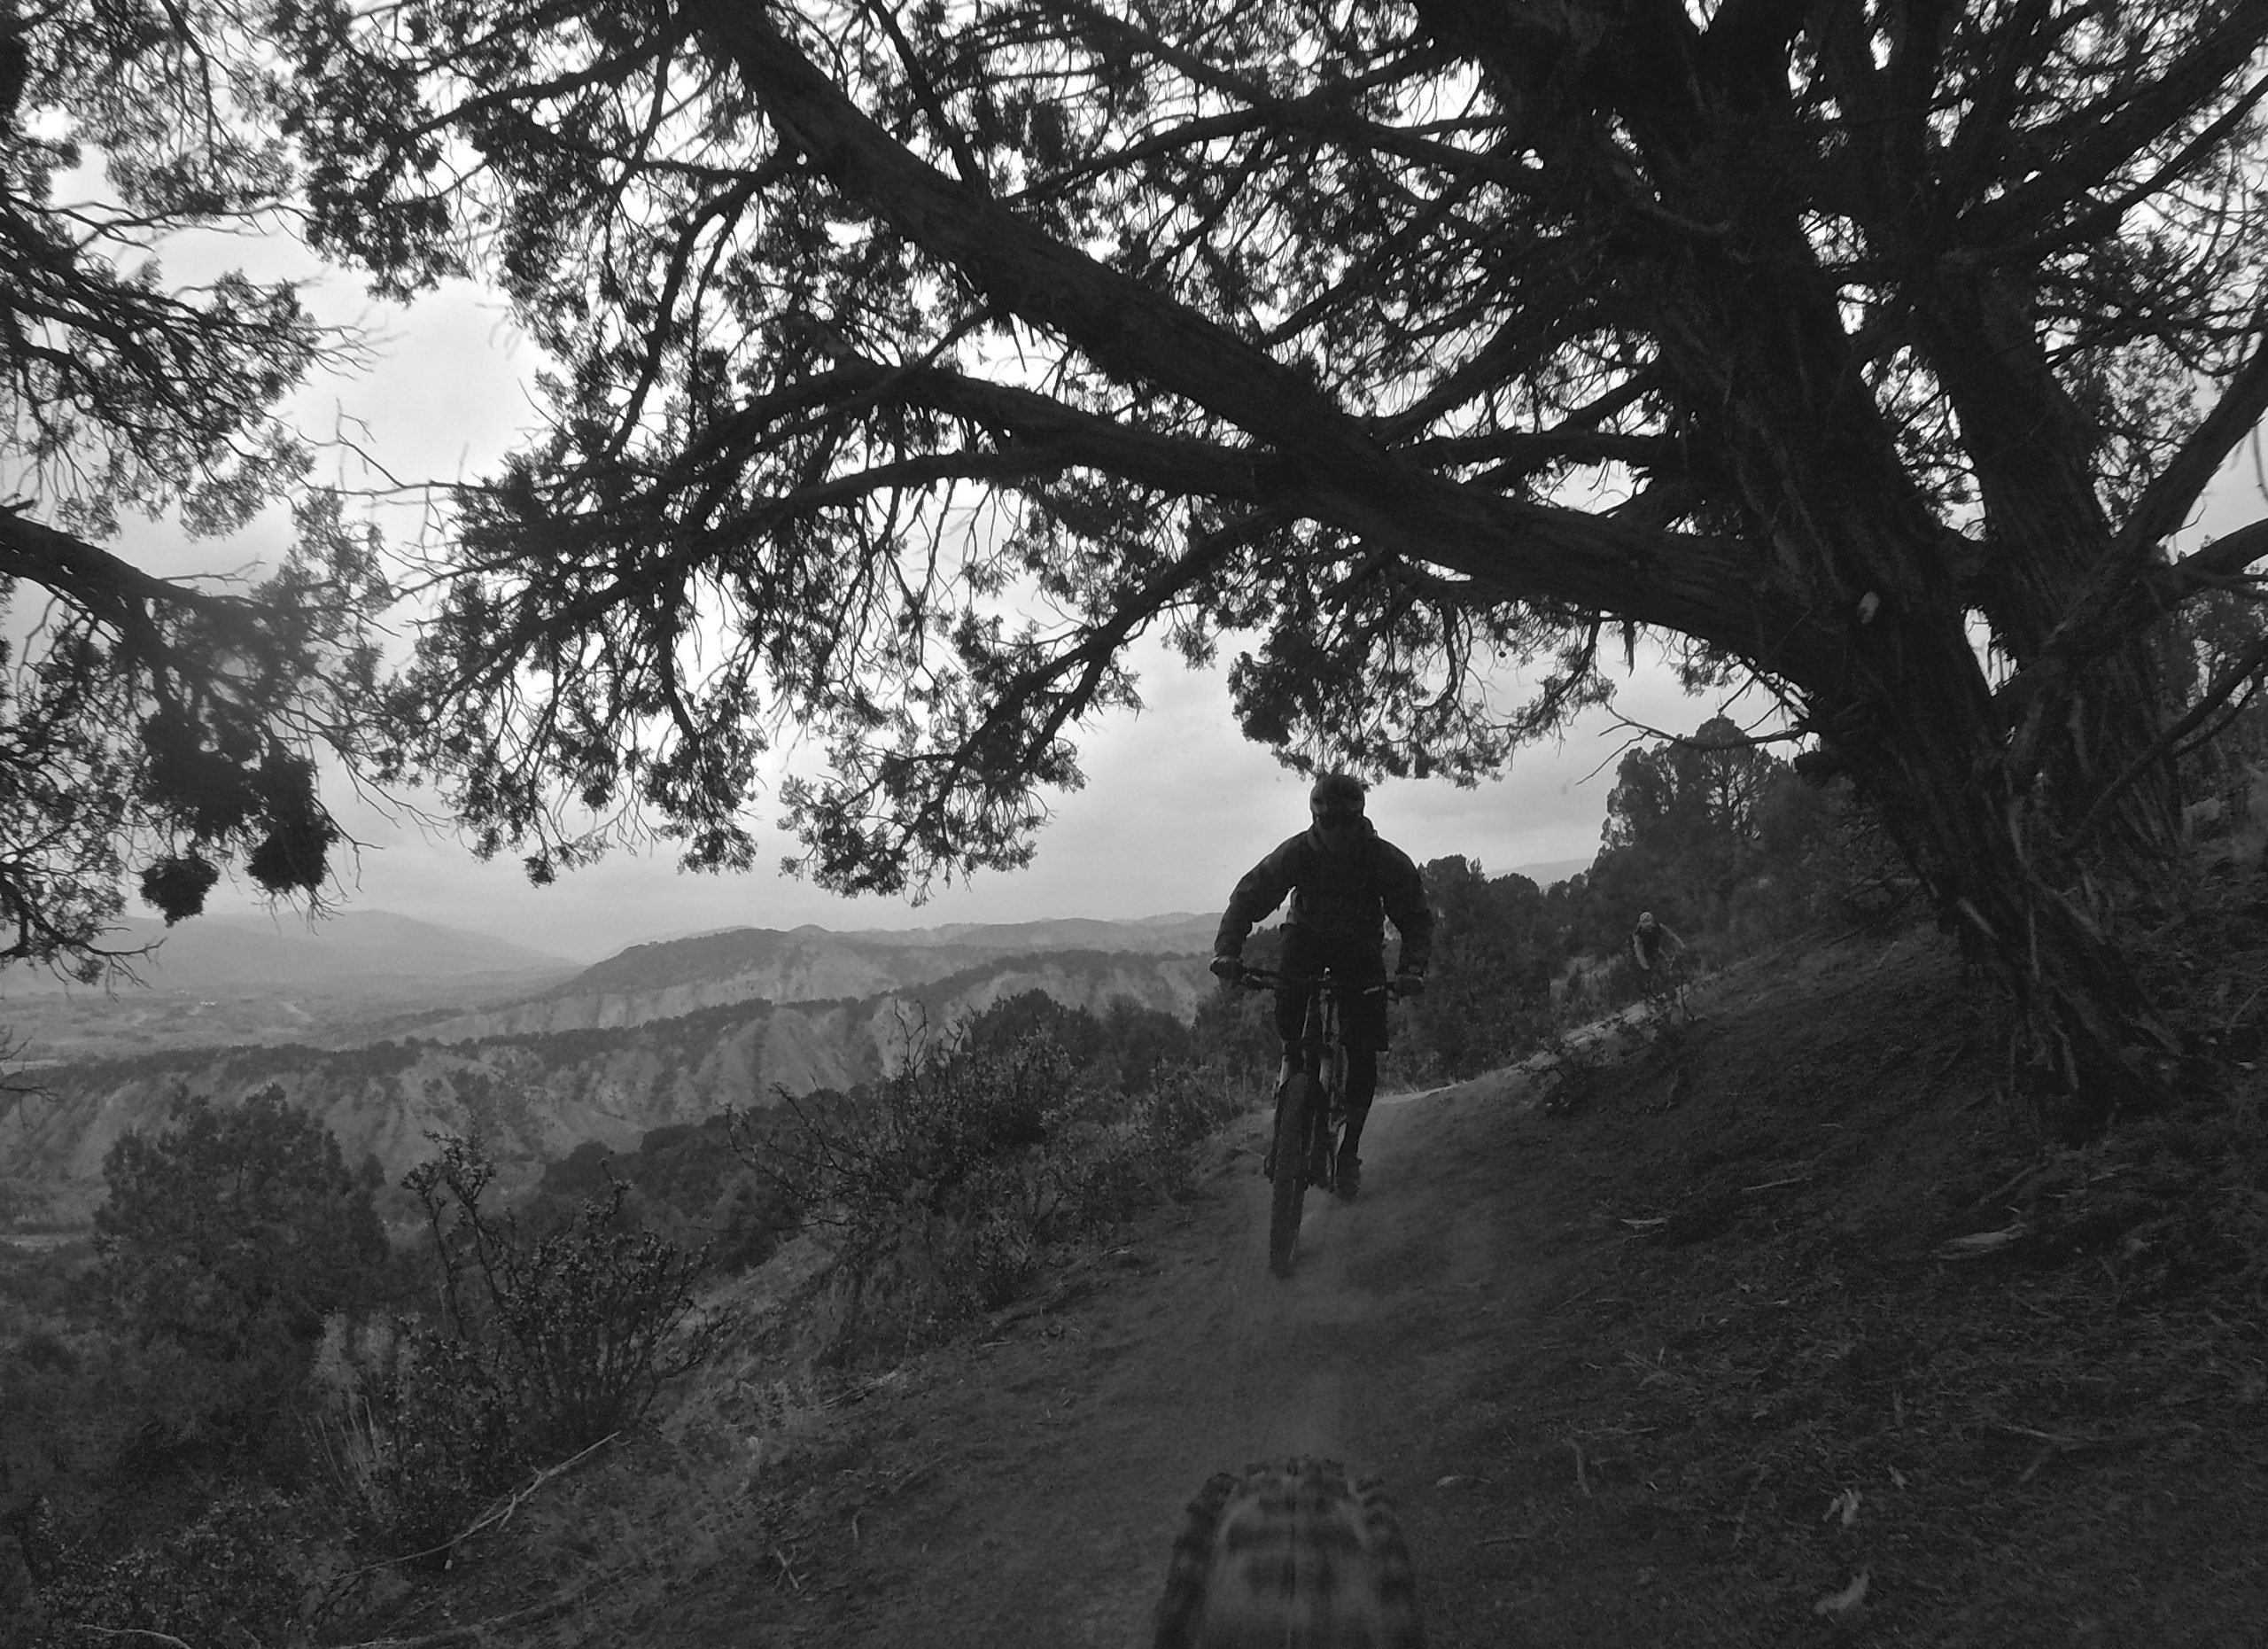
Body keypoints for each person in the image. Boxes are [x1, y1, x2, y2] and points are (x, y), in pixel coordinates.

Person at [1209, 773, 1433, 1201]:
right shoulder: (1296, 853)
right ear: (1314, 819)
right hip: (1306, 939)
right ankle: (1292, 1089)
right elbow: (1249, 897)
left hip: (1359, 946)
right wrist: (1228, 952)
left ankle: (1349, 1152)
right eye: (1326, 823)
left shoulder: (1384, 860)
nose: (1336, 832)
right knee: (1290, 1018)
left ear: (1359, 819)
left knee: (1362, 1047)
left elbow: (1415, 917)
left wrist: (1412, 969)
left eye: (1345, 823)